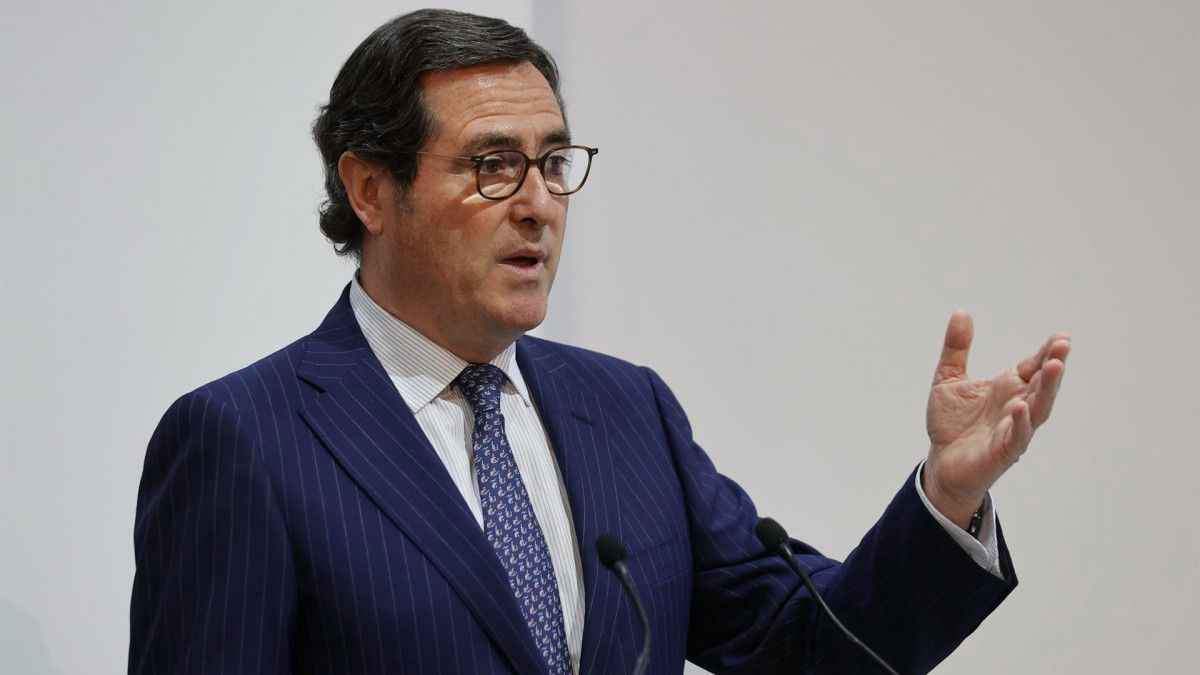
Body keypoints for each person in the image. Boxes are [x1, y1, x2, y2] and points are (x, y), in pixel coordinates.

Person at [128, 9, 1070, 675]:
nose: (539, 203)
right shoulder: (244, 437)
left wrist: (949, 495)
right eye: (493, 165)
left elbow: (816, 646)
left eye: (553, 163)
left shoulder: (625, 407)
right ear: (371, 190)